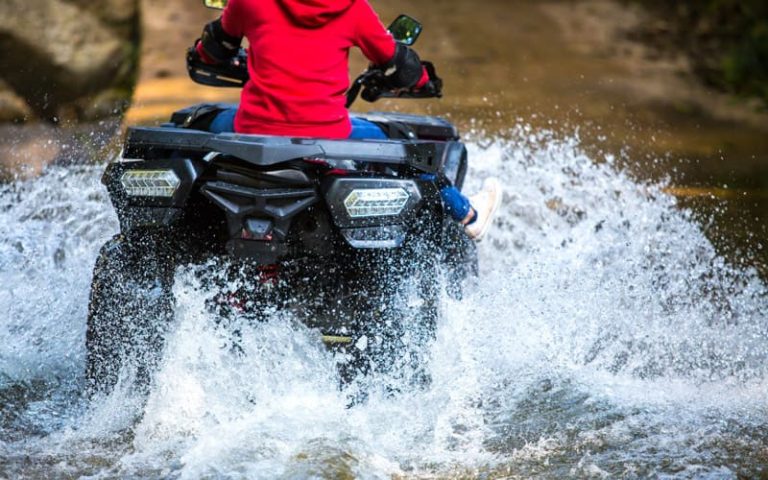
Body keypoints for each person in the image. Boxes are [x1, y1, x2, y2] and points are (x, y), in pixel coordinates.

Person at [194, 0, 501, 239]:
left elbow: (213, 48)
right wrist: (421, 80)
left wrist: (204, 53)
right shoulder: (352, 9)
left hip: (253, 129)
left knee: (196, 121)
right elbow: (397, 62)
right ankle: (468, 216)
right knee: (410, 149)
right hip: (329, 136)